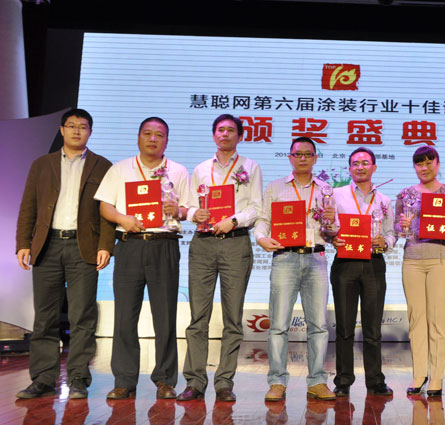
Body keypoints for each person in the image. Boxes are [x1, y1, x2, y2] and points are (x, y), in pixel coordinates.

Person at [14, 108, 115, 399]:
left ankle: (79, 379)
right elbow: (28, 206)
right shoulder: (42, 164)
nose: (76, 131)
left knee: (83, 316)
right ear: (61, 130)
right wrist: (23, 243)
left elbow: (108, 211)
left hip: (83, 247)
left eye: (83, 127)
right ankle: (43, 379)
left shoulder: (102, 166)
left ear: (90, 132)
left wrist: (106, 246)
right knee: (45, 316)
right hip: (47, 245)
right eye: (71, 126)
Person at [94, 117, 190, 399]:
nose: (153, 139)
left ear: (167, 140)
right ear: (138, 137)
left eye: (159, 135)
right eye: (147, 133)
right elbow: (105, 206)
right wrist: (123, 218)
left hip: (164, 245)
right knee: (125, 315)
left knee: (165, 315)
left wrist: (178, 210)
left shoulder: (179, 171)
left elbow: (189, 209)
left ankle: (165, 379)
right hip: (130, 245)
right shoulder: (120, 169)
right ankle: (124, 380)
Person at [177, 114, 263, 402]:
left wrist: (234, 220)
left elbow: (257, 208)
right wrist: (194, 214)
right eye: (220, 130)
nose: (225, 134)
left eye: (230, 130)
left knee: (232, 317)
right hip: (203, 243)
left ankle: (224, 381)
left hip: (235, 243)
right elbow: (188, 206)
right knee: (198, 317)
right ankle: (194, 381)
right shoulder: (201, 168)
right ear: (214, 135)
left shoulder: (250, 167)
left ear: (241, 136)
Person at [255, 136, 336, 402]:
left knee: (319, 325)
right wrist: (261, 238)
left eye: (308, 154)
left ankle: (317, 381)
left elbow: (332, 231)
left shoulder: (326, 189)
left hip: (316, 258)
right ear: (290, 157)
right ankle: (277, 381)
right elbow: (263, 219)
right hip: (285, 258)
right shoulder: (276, 187)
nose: (302, 158)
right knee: (278, 324)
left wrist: (332, 223)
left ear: (315, 158)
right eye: (297, 154)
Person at [327, 147, 396, 397]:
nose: (360, 167)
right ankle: (343, 380)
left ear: (374, 167)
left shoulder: (384, 200)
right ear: (349, 168)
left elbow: (391, 232)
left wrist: (385, 243)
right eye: (355, 163)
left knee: (372, 327)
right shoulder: (335, 195)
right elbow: (327, 227)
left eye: (365, 163)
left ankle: (375, 380)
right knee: (344, 326)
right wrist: (331, 237)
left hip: (374, 264)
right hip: (345, 263)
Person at [396, 145, 445, 398]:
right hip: (412, 260)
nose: (423, 168)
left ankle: (436, 376)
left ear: (437, 164)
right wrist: (401, 226)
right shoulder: (405, 194)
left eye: (428, 163)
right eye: (419, 164)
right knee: (416, 319)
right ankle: (419, 374)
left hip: (441, 260)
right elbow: (398, 230)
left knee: (437, 319)